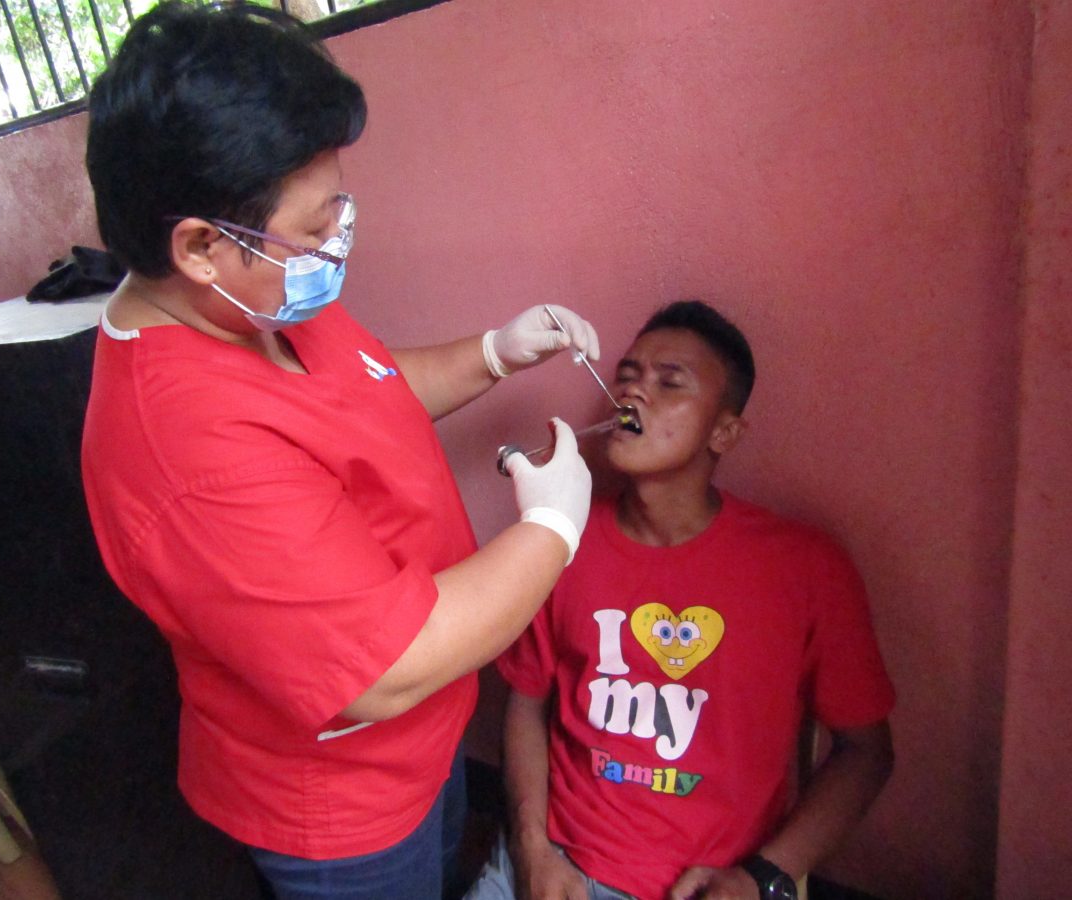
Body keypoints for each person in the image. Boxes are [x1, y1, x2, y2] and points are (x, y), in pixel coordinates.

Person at [79, 3, 597, 898]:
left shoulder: (250, 300)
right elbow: (387, 669)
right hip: (345, 800)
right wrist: (552, 530)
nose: (336, 244)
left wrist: (492, 354)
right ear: (200, 246)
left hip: (427, 736)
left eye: (338, 211)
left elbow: (363, 389)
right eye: (316, 231)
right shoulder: (186, 451)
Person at [470, 301, 895, 900]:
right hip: (555, 863)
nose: (633, 394)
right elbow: (526, 704)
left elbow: (866, 753)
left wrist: (762, 879)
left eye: (670, 384)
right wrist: (532, 850)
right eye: (627, 377)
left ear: (724, 432)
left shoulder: (804, 568)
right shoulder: (561, 539)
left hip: (714, 885)